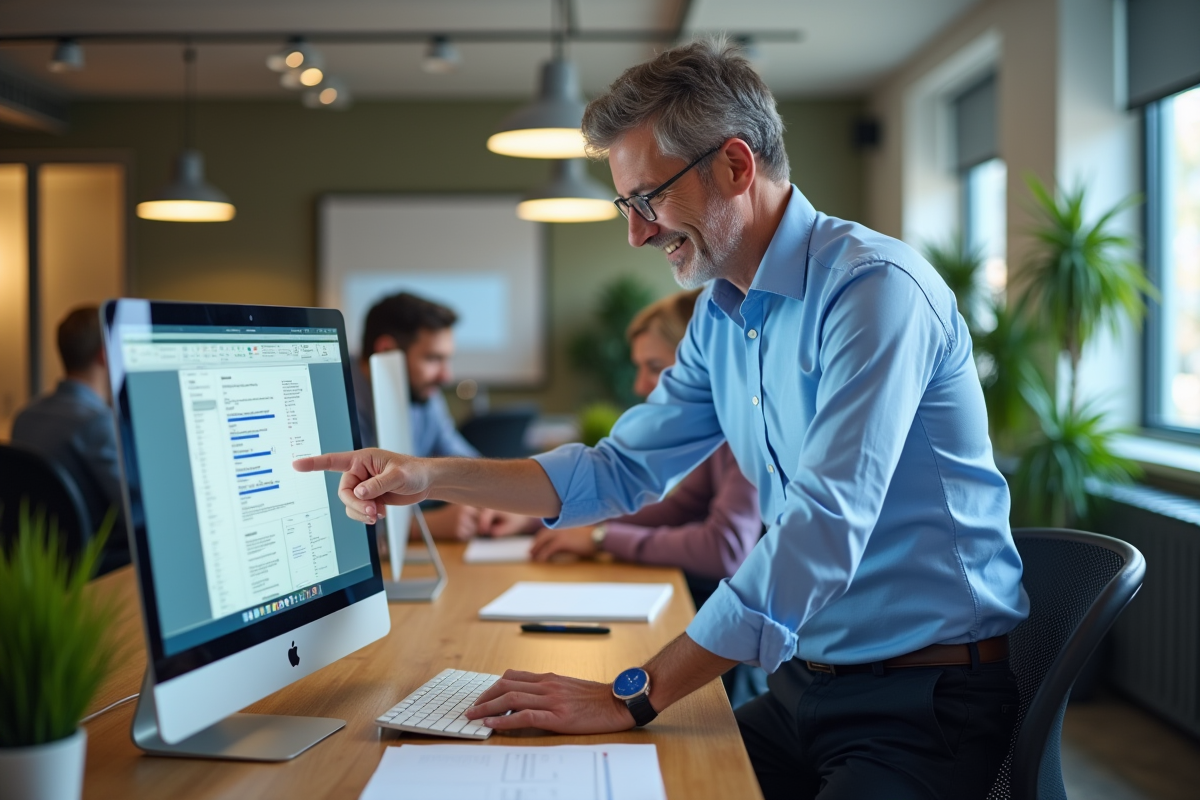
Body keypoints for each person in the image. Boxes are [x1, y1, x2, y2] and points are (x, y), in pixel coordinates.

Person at [297, 39, 1028, 800]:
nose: (637, 233)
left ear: (737, 166)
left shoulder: (873, 292)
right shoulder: (722, 314)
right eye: (628, 205)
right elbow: (620, 469)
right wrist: (429, 476)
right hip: (802, 688)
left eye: (649, 198)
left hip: (922, 707)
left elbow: (822, 528)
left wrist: (631, 693)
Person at [530, 288, 761, 598]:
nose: (640, 386)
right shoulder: (718, 430)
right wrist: (542, 521)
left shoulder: (750, 427)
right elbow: (682, 509)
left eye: (654, 367)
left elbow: (725, 548)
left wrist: (601, 538)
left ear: (700, 359)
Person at [354, 291, 533, 541]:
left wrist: (510, 507)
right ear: (386, 350)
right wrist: (423, 526)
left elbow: (469, 468)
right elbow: (332, 521)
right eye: (433, 359)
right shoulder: (335, 402)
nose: (446, 376)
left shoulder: (425, 397)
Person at [12, 306, 130, 574]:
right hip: (97, 569)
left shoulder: (25, 416)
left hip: (40, 569)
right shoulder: (98, 423)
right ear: (104, 355)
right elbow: (136, 515)